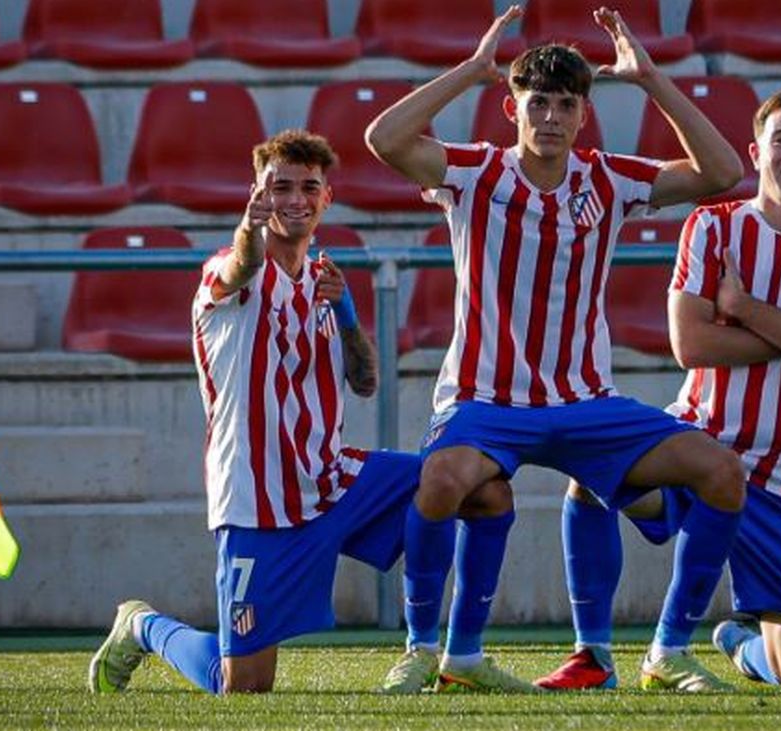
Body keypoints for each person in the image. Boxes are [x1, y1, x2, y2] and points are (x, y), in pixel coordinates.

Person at [366, 6, 748, 693]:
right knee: (443, 480)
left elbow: (721, 171)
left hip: (584, 400)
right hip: (485, 401)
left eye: (565, 104)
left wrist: (652, 79)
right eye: (536, 100)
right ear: (513, 106)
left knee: (721, 471)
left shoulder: (611, 179)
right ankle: (428, 648)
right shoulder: (473, 171)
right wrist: (470, 72)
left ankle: (663, 651)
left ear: (582, 115)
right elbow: (383, 138)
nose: (549, 116)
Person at [87, 129, 511, 695]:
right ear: (258, 194)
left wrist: (351, 319)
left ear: (326, 198)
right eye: (279, 187)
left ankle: (445, 652)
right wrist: (247, 230)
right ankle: (143, 626)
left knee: (482, 488)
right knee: (242, 688)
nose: (295, 199)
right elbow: (242, 261)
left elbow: (364, 383)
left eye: (309, 187)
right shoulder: (228, 273)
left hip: (334, 479)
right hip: (258, 501)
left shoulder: (323, 281)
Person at [542, 88, 781, 689]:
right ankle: (600, 653)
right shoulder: (713, 225)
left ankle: (738, 642)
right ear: (756, 153)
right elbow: (692, 345)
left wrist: (742, 306)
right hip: (697, 444)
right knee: (593, 472)